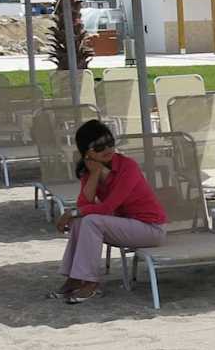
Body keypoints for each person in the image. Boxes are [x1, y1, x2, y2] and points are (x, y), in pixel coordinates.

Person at [54, 120, 165, 304]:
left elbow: (107, 207)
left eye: (110, 143)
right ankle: (75, 278)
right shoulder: (91, 171)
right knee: (80, 221)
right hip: (126, 226)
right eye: (99, 147)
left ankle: (90, 282)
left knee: (89, 220)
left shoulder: (127, 167)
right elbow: (84, 203)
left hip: (151, 229)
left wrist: (71, 213)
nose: (107, 149)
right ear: (87, 152)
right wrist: (95, 174)